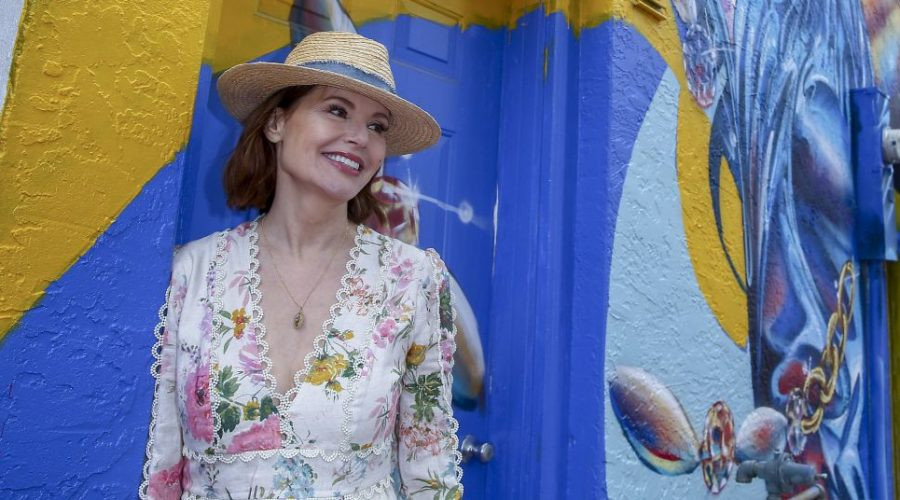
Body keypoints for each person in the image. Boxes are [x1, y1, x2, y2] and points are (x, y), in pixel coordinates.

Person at [139, 31, 463, 499]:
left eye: (377, 126)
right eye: (337, 110)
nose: (360, 138)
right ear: (276, 122)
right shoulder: (193, 272)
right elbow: (164, 466)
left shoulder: (412, 280)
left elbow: (430, 466)